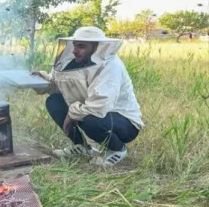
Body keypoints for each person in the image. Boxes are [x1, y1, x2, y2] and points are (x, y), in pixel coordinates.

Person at [32, 26, 144, 166]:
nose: (74, 50)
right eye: (74, 45)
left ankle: (117, 150)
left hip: (123, 122)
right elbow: (58, 86)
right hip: (91, 111)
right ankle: (81, 146)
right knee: (54, 101)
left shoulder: (111, 66)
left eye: (81, 46)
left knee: (90, 120)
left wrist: (71, 114)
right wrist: (39, 79)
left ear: (96, 46)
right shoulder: (75, 61)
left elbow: (99, 105)